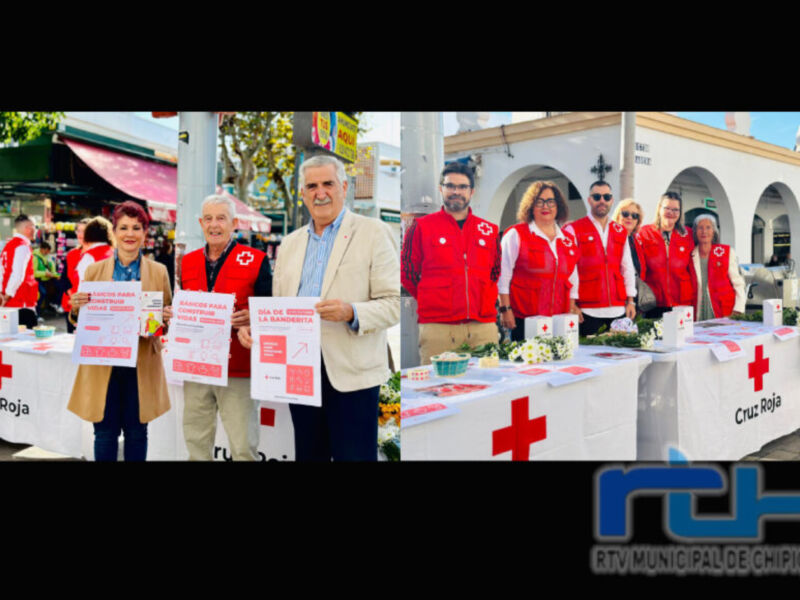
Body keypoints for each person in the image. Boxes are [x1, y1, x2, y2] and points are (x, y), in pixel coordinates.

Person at [239, 154, 400, 461]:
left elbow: (393, 303)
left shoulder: (373, 232)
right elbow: (279, 307)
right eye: (312, 186)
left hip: (350, 376)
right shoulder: (289, 243)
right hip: (298, 373)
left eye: (327, 183)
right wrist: (256, 328)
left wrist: (352, 311)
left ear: (344, 186)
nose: (320, 192)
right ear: (302, 193)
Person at [67, 201, 172, 461]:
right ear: (114, 231)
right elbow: (80, 319)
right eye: (123, 227)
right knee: (104, 433)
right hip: (104, 364)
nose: (130, 234)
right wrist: (76, 307)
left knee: (137, 433)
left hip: (141, 364)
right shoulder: (93, 270)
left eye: (137, 227)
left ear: (145, 233)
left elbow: (164, 321)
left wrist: (165, 318)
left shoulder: (159, 272)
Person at [174, 193, 272, 462]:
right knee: (196, 440)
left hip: (238, 367)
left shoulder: (256, 260)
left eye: (221, 218)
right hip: (197, 365)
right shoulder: (188, 261)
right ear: (200, 223)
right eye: (208, 219)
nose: (214, 225)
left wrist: (252, 317)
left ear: (234, 223)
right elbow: (185, 305)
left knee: (242, 446)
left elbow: (269, 311)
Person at [401, 162, 500, 364]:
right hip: (438, 328)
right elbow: (408, 274)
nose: (456, 191)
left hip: (483, 326)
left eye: (462, 187)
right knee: (438, 388)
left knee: (487, 387)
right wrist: (432, 298)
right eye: (450, 186)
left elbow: (495, 271)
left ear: (471, 191)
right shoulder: (421, 227)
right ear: (441, 189)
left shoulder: (488, 230)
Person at [498, 180, 579, 341]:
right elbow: (503, 275)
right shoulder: (516, 234)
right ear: (530, 206)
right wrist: (505, 309)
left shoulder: (568, 239)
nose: (545, 206)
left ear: (558, 205)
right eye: (539, 202)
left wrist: (572, 306)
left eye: (550, 201)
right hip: (525, 319)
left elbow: (572, 277)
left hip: (559, 319)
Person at [563, 181, 637, 336]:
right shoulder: (573, 229)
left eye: (606, 197)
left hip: (618, 309)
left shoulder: (620, 230)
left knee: (620, 358)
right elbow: (569, 269)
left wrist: (630, 301)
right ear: (590, 200)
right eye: (597, 197)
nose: (602, 200)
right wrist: (572, 304)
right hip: (587, 311)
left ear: (611, 200)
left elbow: (627, 267)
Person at [636, 191, 696, 319]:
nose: (671, 213)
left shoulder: (688, 235)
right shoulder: (644, 233)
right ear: (659, 209)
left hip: (682, 302)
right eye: (667, 208)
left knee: (682, 338)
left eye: (675, 210)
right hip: (654, 303)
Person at [690, 214, 745, 320]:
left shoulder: (726, 252)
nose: (704, 231)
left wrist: (738, 308)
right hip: (698, 309)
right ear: (695, 231)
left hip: (723, 309)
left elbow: (738, 283)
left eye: (708, 227)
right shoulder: (690, 255)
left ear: (714, 231)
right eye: (700, 227)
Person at [0, 214, 39, 328]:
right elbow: (18, 275)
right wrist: (7, 295)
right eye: (35, 227)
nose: (36, 230)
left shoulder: (8, 245)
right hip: (21, 301)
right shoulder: (22, 246)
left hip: (8, 302)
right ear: (29, 228)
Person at [60, 217, 92, 333]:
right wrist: (73, 296)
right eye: (78, 231)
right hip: (71, 305)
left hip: (91, 306)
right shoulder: (72, 254)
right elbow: (64, 279)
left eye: (84, 231)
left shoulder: (100, 254)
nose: (80, 234)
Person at [611, 198, 646, 278]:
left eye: (634, 216)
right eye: (625, 214)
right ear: (618, 216)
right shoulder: (609, 238)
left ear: (638, 221)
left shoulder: (637, 242)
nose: (630, 217)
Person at [33, 241, 61, 314]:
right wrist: (45, 273)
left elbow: (53, 271)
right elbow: (33, 272)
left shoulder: (49, 257)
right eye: (46, 251)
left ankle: (54, 304)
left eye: (48, 252)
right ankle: (37, 313)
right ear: (42, 249)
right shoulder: (35, 257)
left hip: (48, 280)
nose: (47, 253)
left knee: (60, 286)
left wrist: (58, 276)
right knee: (42, 293)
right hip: (38, 280)